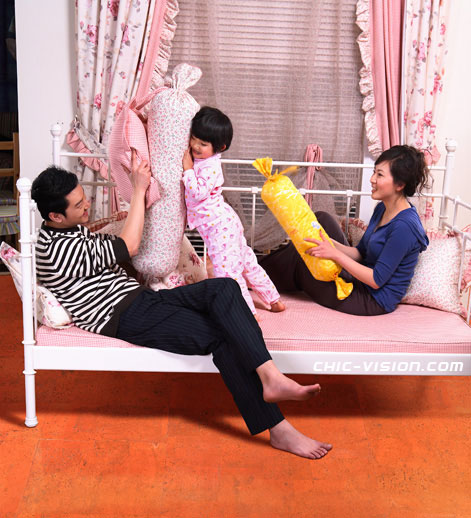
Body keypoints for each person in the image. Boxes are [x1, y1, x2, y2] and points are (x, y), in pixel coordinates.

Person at [31, 150, 332, 460]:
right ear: (55, 216)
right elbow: (128, 246)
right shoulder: (56, 251)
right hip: (124, 315)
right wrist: (138, 188)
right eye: (79, 205)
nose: (87, 206)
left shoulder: (68, 230)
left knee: (225, 288)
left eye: (84, 199)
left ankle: (270, 376)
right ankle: (279, 428)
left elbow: (114, 247)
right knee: (222, 336)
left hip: (142, 299)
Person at [259, 145, 429, 316]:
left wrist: (334, 254)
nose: (372, 179)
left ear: (400, 184)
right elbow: (360, 253)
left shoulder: (404, 227)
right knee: (321, 221)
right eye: (374, 172)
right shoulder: (382, 208)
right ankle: (255, 270)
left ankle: (255, 275)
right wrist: (326, 242)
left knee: (303, 260)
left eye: (380, 175)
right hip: (359, 278)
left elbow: (376, 280)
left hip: (370, 298)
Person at [182, 106, 285, 317]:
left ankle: (246, 313)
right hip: (225, 221)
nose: (195, 146)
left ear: (220, 147)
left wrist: (188, 170)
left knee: (228, 272)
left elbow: (198, 192)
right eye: (193, 139)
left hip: (220, 227)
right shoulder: (203, 159)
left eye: (203, 144)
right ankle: (273, 300)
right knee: (247, 262)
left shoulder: (209, 167)